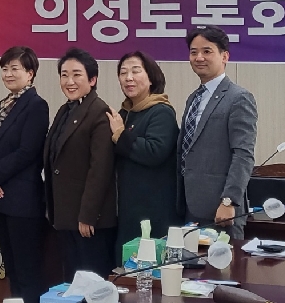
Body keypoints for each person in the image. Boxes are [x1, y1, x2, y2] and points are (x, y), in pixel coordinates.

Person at [0, 46, 49, 303]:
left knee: (27, 270)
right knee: (12, 270)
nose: (8, 74)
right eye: (5, 69)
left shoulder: (37, 106)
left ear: (30, 73)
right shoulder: (3, 105)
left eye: (14, 68)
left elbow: (27, 151)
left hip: (22, 201)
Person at [177, 25, 258, 239]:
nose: (199, 57)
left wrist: (229, 201)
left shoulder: (238, 98)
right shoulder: (194, 98)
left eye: (207, 51)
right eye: (193, 52)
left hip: (221, 209)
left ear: (224, 56)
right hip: (190, 206)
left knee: (226, 262)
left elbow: (243, 154)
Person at [43, 48, 116, 279]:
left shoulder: (99, 112)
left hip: (88, 221)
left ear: (92, 79)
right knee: (72, 281)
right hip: (65, 215)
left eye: (76, 75)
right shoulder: (66, 110)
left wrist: (87, 215)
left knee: (91, 283)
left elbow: (100, 169)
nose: (69, 81)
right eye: (64, 75)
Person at [107, 51, 180, 263]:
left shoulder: (161, 112)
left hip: (154, 210)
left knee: (148, 270)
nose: (128, 78)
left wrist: (120, 135)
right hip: (128, 208)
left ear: (151, 78)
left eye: (135, 71)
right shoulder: (124, 113)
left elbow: (154, 152)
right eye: (123, 73)